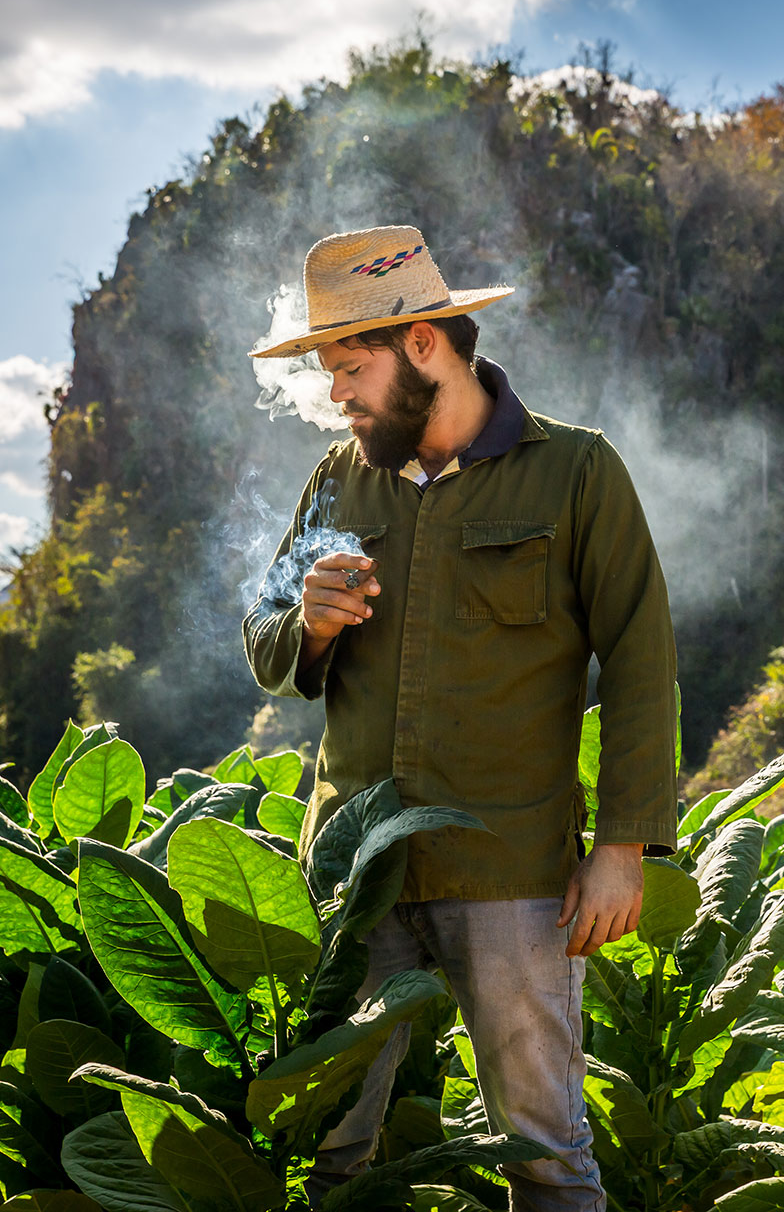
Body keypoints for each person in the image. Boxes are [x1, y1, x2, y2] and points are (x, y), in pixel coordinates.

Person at [241, 225, 678, 1212]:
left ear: (424, 345)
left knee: (546, 1154)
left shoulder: (578, 472)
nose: (335, 394)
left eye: (351, 367)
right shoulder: (336, 479)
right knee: (329, 1153)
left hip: (511, 873)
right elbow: (266, 639)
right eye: (326, 372)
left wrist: (623, 846)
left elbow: (642, 660)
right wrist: (308, 622)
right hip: (354, 874)